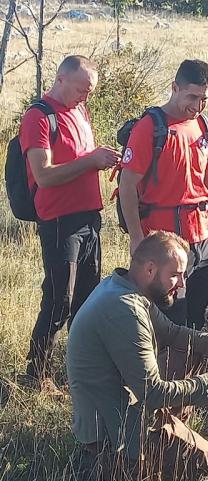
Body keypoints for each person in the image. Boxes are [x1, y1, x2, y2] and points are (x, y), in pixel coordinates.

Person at [66, 231, 208, 481]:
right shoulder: (125, 310)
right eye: (175, 275)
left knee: (189, 350)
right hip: (118, 443)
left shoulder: (122, 287)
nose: (181, 284)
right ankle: (154, 454)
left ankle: (172, 433)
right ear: (150, 269)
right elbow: (152, 392)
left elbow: (173, 334)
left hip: (120, 414)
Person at [19, 55, 120, 385]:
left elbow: (80, 160)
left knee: (88, 300)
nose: (85, 97)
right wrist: (91, 160)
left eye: (89, 91)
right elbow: (44, 175)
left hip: (89, 217)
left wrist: (100, 160)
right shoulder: (39, 116)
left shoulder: (80, 110)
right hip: (59, 220)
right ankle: (36, 373)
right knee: (59, 297)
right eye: (81, 89)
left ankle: (81, 369)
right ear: (61, 79)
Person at [118, 59, 208, 330]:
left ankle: (197, 372)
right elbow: (127, 185)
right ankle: (167, 373)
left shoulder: (203, 125)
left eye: (204, 98)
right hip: (164, 243)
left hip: (202, 238)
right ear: (174, 88)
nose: (198, 105)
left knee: (200, 319)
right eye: (192, 96)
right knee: (169, 322)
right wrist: (136, 238)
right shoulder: (150, 127)